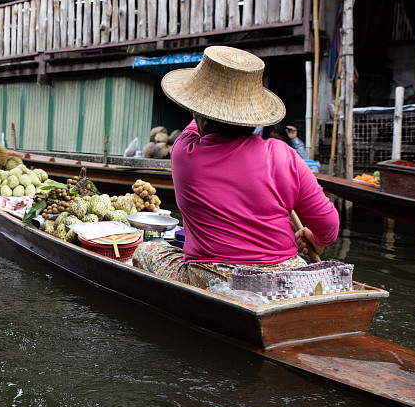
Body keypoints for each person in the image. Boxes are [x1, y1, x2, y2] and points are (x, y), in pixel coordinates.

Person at [132, 46, 339, 289]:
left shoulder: (184, 152)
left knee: (146, 250)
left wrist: (203, 95)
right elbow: (329, 226)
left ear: (201, 115)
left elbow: (195, 118)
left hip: (218, 277)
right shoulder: (283, 154)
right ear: (253, 118)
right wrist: (317, 240)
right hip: (286, 277)